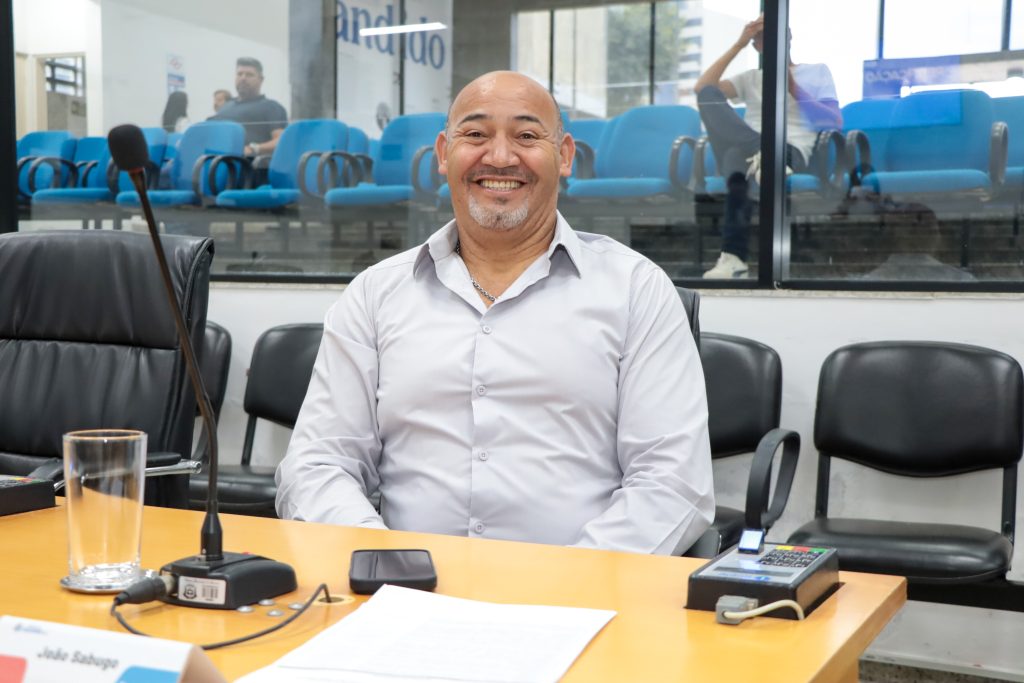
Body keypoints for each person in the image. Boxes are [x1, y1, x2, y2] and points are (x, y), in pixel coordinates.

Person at [275, 71, 714, 556]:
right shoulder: (375, 294)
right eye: (476, 134)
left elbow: (672, 482)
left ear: (564, 156)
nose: (501, 157)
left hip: (583, 601)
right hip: (405, 596)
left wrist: (568, 588)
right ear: (444, 154)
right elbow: (317, 464)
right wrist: (382, 563)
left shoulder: (636, 289)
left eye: (526, 136)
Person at [696, 15, 841, 278]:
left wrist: (792, 86)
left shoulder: (815, 71)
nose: (768, 40)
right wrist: (738, 44)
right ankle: (761, 152)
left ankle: (733, 257)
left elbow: (833, 121)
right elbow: (702, 88)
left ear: (788, 37)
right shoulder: (751, 78)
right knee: (708, 96)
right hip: (752, 148)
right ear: (756, 46)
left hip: (790, 150)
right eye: (760, 37)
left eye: (773, 34)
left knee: (736, 173)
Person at [210, 57, 287, 157]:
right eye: (239, 74)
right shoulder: (225, 107)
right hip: (214, 161)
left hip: (246, 165)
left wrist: (254, 148)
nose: (243, 78)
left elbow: (281, 141)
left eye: (249, 75)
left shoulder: (271, 107)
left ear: (261, 80)